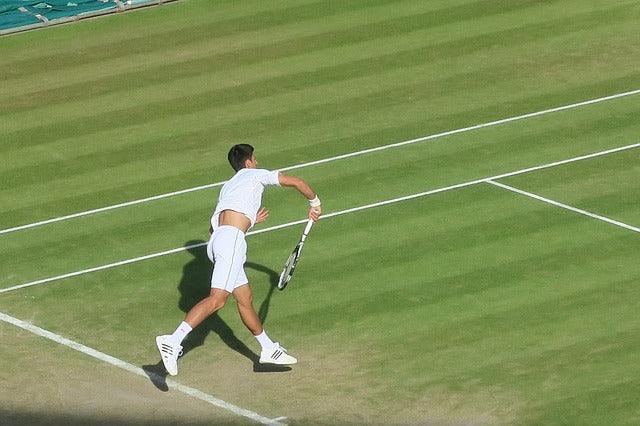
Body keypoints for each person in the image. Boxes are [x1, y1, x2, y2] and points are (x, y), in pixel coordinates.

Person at [156, 144, 322, 375]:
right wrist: (315, 203)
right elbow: (298, 182)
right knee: (218, 300)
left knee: (245, 297)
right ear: (249, 162)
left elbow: (221, 223)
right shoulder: (256, 174)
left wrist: (250, 220)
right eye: (255, 159)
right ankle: (173, 341)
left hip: (217, 242)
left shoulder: (229, 186)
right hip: (231, 241)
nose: (257, 162)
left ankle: (268, 348)